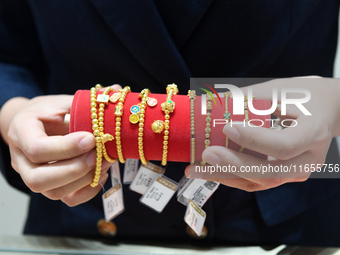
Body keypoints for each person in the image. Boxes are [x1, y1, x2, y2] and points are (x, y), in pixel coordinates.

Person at [1, 0, 340, 247]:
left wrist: (334, 102)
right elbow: (8, 53)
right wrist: (14, 111)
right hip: (80, 217)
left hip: (286, 223)